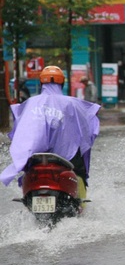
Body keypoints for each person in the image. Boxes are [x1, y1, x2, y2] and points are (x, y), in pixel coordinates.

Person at [0, 66, 100, 200]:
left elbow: (19, 128)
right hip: (66, 153)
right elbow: (88, 126)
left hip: (35, 154)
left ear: (42, 83)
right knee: (79, 171)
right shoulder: (72, 103)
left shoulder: (29, 103)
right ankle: (81, 203)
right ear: (62, 83)